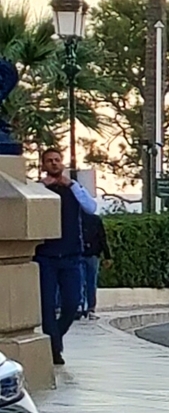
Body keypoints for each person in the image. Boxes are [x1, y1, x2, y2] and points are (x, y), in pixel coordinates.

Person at [32, 148, 90, 367]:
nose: (54, 164)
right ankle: (55, 349)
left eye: (57, 160)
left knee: (72, 303)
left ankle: (54, 340)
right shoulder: (37, 190)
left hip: (71, 255)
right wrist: (41, 189)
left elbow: (91, 208)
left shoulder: (74, 189)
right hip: (46, 256)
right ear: (43, 165)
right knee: (47, 305)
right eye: (49, 161)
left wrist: (73, 186)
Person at [79, 192, 109, 318]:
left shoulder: (76, 219)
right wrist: (107, 256)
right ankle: (89, 308)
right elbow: (102, 238)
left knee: (82, 282)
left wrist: (107, 256)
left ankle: (82, 307)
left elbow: (102, 238)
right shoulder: (95, 219)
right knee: (90, 282)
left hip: (82, 254)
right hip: (90, 255)